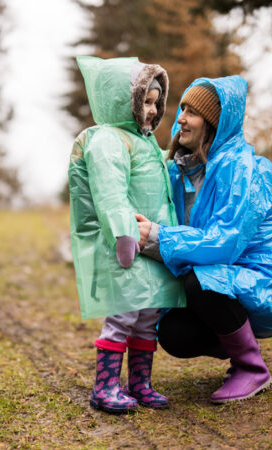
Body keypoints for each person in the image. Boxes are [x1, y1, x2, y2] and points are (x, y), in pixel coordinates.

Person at [136, 75, 272, 403]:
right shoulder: (181, 169)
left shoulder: (244, 171)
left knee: (198, 281)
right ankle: (234, 337)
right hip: (230, 275)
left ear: (214, 123)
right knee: (174, 332)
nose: (181, 118)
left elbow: (224, 242)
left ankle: (251, 368)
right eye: (182, 108)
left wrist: (159, 238)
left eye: (193, 112)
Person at [68, 56, 185, 414]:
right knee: (123, 315)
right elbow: (109, 190)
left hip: (150, 245)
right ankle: (104, 387)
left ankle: (140, 384)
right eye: (145, 102)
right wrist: (122, 233)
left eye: (155, 102)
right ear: (125, 100)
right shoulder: (108, 139)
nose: (152, 111)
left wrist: (173, 153)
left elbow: (150, 174)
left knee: (148, 314)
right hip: (128, 244)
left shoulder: (142, 140)